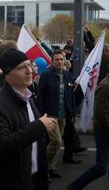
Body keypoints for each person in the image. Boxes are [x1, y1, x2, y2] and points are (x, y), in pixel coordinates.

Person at [0, 49, 57, 190]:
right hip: (13, 183)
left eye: (29, 65)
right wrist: (39, 126)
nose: (29, 70)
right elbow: (3, 145)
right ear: (7, 74)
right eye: (21, 68)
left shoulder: (28, 98)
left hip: (35, 180)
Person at [36, 50, 77, 179]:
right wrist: (40, 113)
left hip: (63, 114)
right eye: (57, 60)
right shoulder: (46, 76)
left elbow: (71, 96)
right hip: (50, 114)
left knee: (57, 143)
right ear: (52, 61)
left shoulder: (67, 75)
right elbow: (40, 96)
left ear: (64, 60)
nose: (59, 62)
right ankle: (40, 164)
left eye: (61, 59)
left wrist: (73, 113)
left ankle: (50, 168)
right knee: (57, 141)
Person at [67, 71, 109, 189]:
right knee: (101, 168)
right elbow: (101, 114)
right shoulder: (105, 86)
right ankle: (73, 187)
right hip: (104, 132)